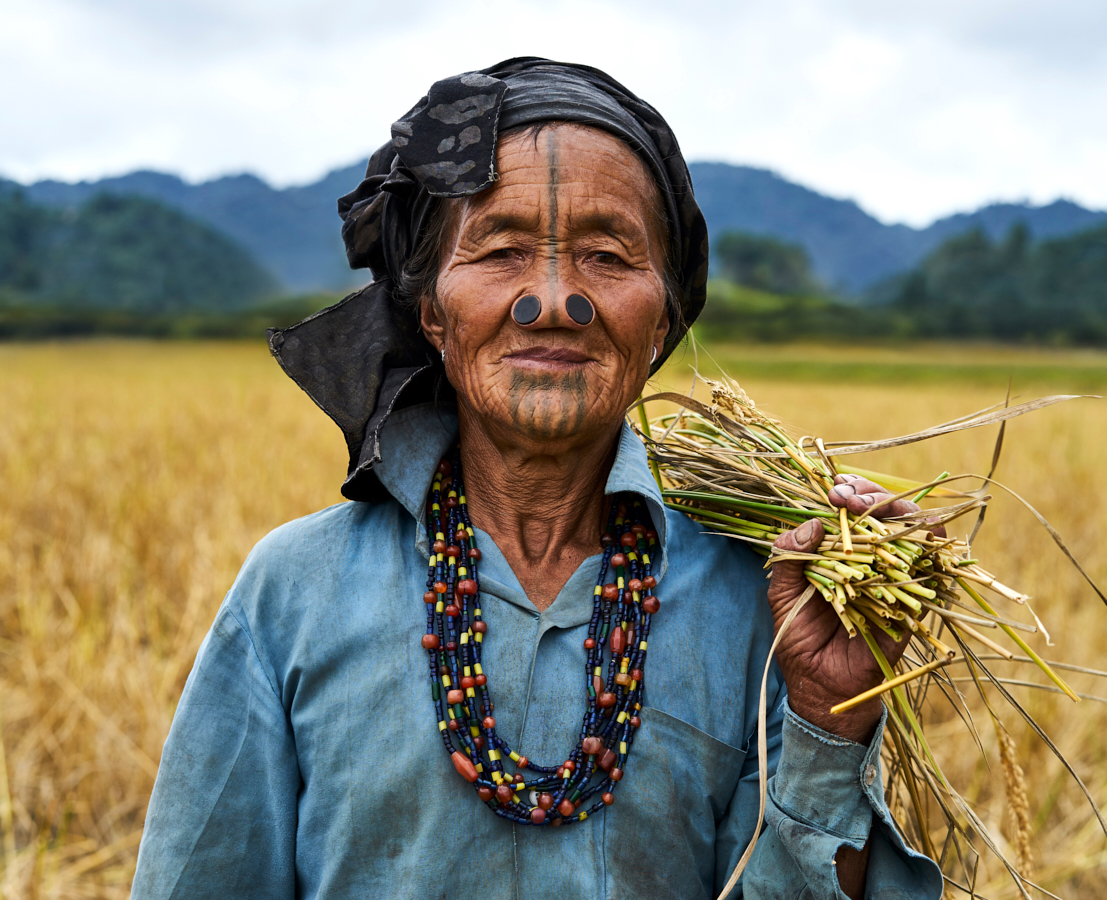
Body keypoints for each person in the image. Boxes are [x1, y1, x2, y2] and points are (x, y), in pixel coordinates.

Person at [131, 58, 943, 900]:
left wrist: (828, 715)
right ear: (431, 310)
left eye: (605, 254)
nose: (553, 300)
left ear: (662, 316)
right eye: (502, 249)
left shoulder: (767, 610)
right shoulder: (293, 593)